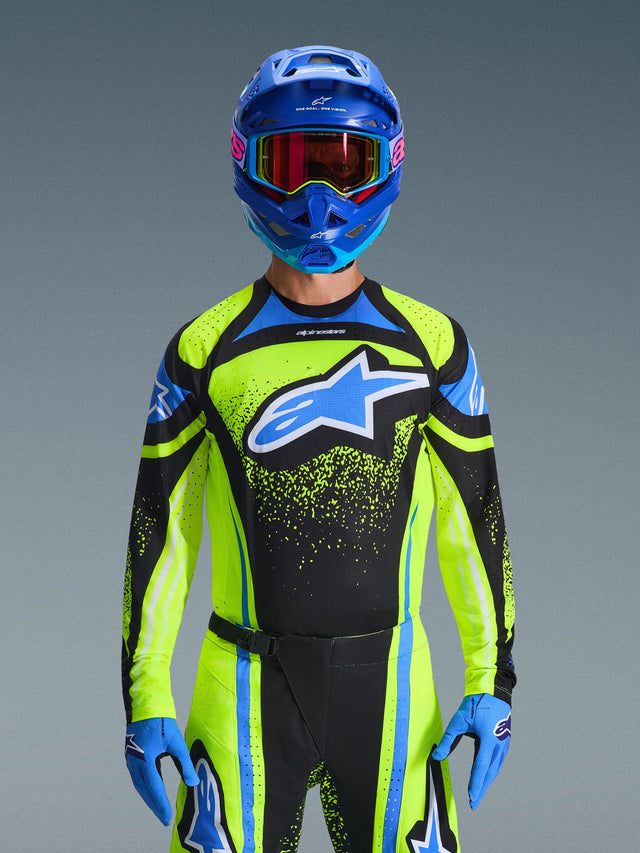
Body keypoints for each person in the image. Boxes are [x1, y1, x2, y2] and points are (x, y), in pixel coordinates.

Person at [122, 45, 516, 853]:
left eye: (342, 165)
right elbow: (161, 533)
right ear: (249, 164)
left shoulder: (433, 346)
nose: (317, 198)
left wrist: (493, 678)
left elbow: (473, 521)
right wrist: (145, 689)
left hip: (392, 682)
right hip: (243, 682)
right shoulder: (202, 352)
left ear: (385, 165)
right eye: (293, 165)